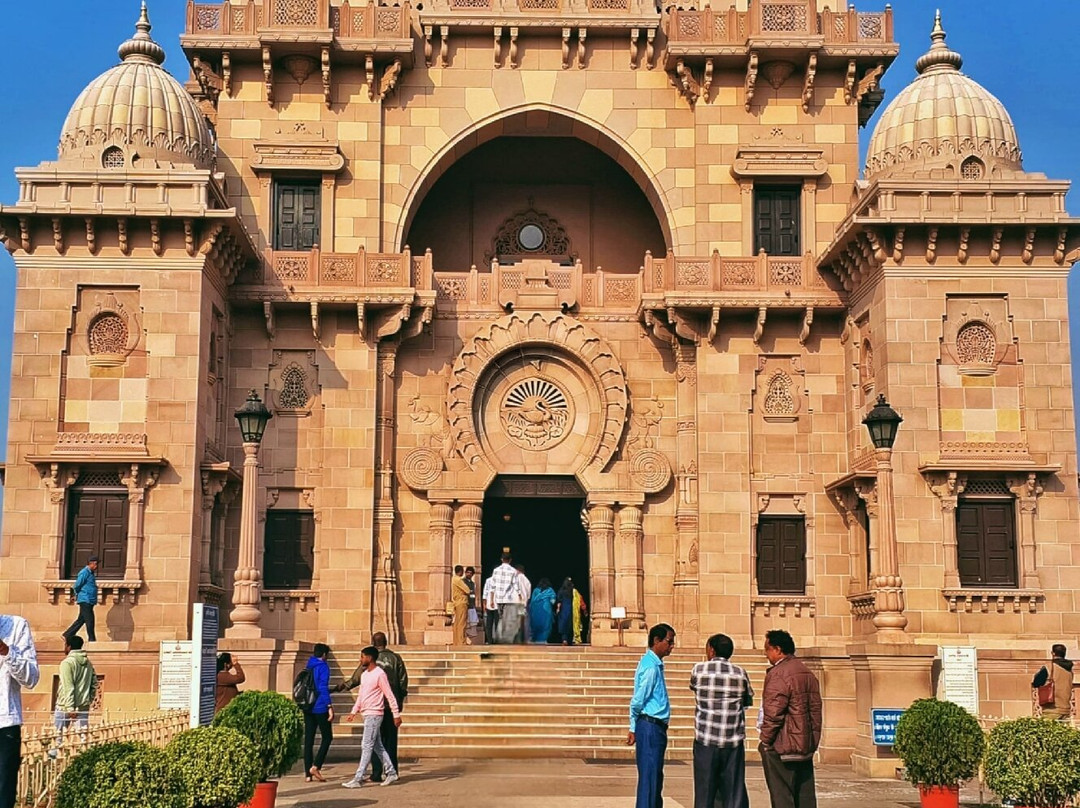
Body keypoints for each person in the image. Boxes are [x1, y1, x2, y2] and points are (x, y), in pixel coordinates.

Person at [758, 629, 822, 808]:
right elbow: (816, 711)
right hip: (804, 744)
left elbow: (773, 713)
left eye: (767, 649)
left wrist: (766, 741)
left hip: (783, 745)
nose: (766, 654)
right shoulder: (806, 672)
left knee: (782, 795)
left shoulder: (779, 674)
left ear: (778, 649)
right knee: (805, 796)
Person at [336, 632, 409, 783]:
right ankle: (392, 770)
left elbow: (356, 678)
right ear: (386, 642)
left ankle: (375, 773)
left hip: (375, 707)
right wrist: (400, 699)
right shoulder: (395, 658)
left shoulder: (371, 663)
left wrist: (345, 685)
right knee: (388, 740)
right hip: (388, 707)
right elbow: (403, 680)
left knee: (374, 741)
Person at [690, 633, 753, 808]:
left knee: (704, 793)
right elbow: (747, 701)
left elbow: (694, 687)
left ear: (711, 649)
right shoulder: (740, 673)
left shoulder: (698, 670)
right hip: (732, 741)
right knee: (733, 793)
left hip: (706, 741)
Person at [628, 623, 676, 808]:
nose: (671, 646)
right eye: (669, 642)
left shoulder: (655, 664)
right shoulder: (651, 667)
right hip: (650, 726)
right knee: (649, 778)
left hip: (655, 727)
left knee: (655, 777)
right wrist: (633, 725)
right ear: (657, 641)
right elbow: (638, 699)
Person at [1, 614, 40, 808]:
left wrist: (6, 651)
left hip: (4, 726)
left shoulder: (17, 626)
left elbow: (31, 678)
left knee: (3, 795)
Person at [302, 643, 333, 782]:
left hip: (308, 705)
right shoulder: (323, 667)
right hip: (320, 705)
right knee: (327, 737)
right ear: (324, 655)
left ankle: (307, 773)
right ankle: (316, 766)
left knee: (309, 739)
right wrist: (329, 705)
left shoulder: (309, 665)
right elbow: (322, 687)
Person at [55, 635, 97, 738]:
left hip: (65, 706)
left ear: (68, 646)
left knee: (57, 739)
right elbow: (94, 684)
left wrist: (70, 708)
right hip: (83, 706)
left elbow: (68, 686)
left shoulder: (67, 663)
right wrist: (87, 700)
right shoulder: (88, 663)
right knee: (83, 741)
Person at [1032, 643, 1074, 721]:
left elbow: (1036, 682)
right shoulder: (1070, 670)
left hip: (1052, 709)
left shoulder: (1049, 667)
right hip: (1066, 709)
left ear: (1053, 653)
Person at [63, 555, 99, 642]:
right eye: (96, 564)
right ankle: (92, 639)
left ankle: (67, 634)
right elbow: (77, 585)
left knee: (81, 619)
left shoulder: (90, 573)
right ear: (92, 563)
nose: (96, 566)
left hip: (89, 599)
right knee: (90, 619)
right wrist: (75, 594)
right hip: (85, 599)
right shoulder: (84, 572)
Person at [491, 552, 523, 644]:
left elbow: (493, 586)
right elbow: (516, 585)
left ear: (501, 559)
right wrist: (520, 595)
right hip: (508, 599)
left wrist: (492, 599)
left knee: (500, 617)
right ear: (510, 560)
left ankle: (499, 637)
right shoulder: (513, 571)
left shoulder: (496, 570)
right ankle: (504, 637)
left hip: (498, 599)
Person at [528, 578, 556, 644]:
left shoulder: (536, 590)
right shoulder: (550, 590)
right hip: (546, 609)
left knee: (535, 624)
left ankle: (535, 639)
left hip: (535, 609)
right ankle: (543, 640)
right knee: (546, 625)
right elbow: (553, 601)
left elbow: (532, 601)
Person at [451, 565, 470, 646]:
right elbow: (467, 590)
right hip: (461, 602)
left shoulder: (453, 579)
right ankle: (461, 642)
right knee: (462, 623)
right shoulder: (458, 579)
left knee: (457, 623)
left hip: (457, 602)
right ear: (461, 571)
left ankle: (456, 641)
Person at [515, 565, 532, 643]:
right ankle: (525, 639)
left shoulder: (515, 578)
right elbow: (528, 594)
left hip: (515, 603)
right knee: (524, 622)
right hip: (523, 603)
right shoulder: (527, 581)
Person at [556, 578, 576, 645]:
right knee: (570, 624)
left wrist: (558, 609)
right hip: (571, 608)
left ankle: (564, 640)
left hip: (564, 609)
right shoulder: (573, 591)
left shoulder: (561, 591)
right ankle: (571, 640)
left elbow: (559, 601)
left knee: (563, 624)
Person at [482, 572, 499, 644]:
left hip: (490, 604)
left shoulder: (488, 580)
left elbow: (485, 593)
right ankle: (495, 640)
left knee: (490, 624)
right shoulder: (496, 581)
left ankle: (490, 640)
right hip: (496, 604)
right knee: (496, 624)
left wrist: (484, 604)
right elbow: (486, 592)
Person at [464, 566, 480, 641]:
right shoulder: (462, 582)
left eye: (471, 573)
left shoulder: (473, 584)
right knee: (465, 624)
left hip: (472, 606)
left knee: (472, 625)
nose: (469, 574)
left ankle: (466, 639)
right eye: (468, 572)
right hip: (465, 605)